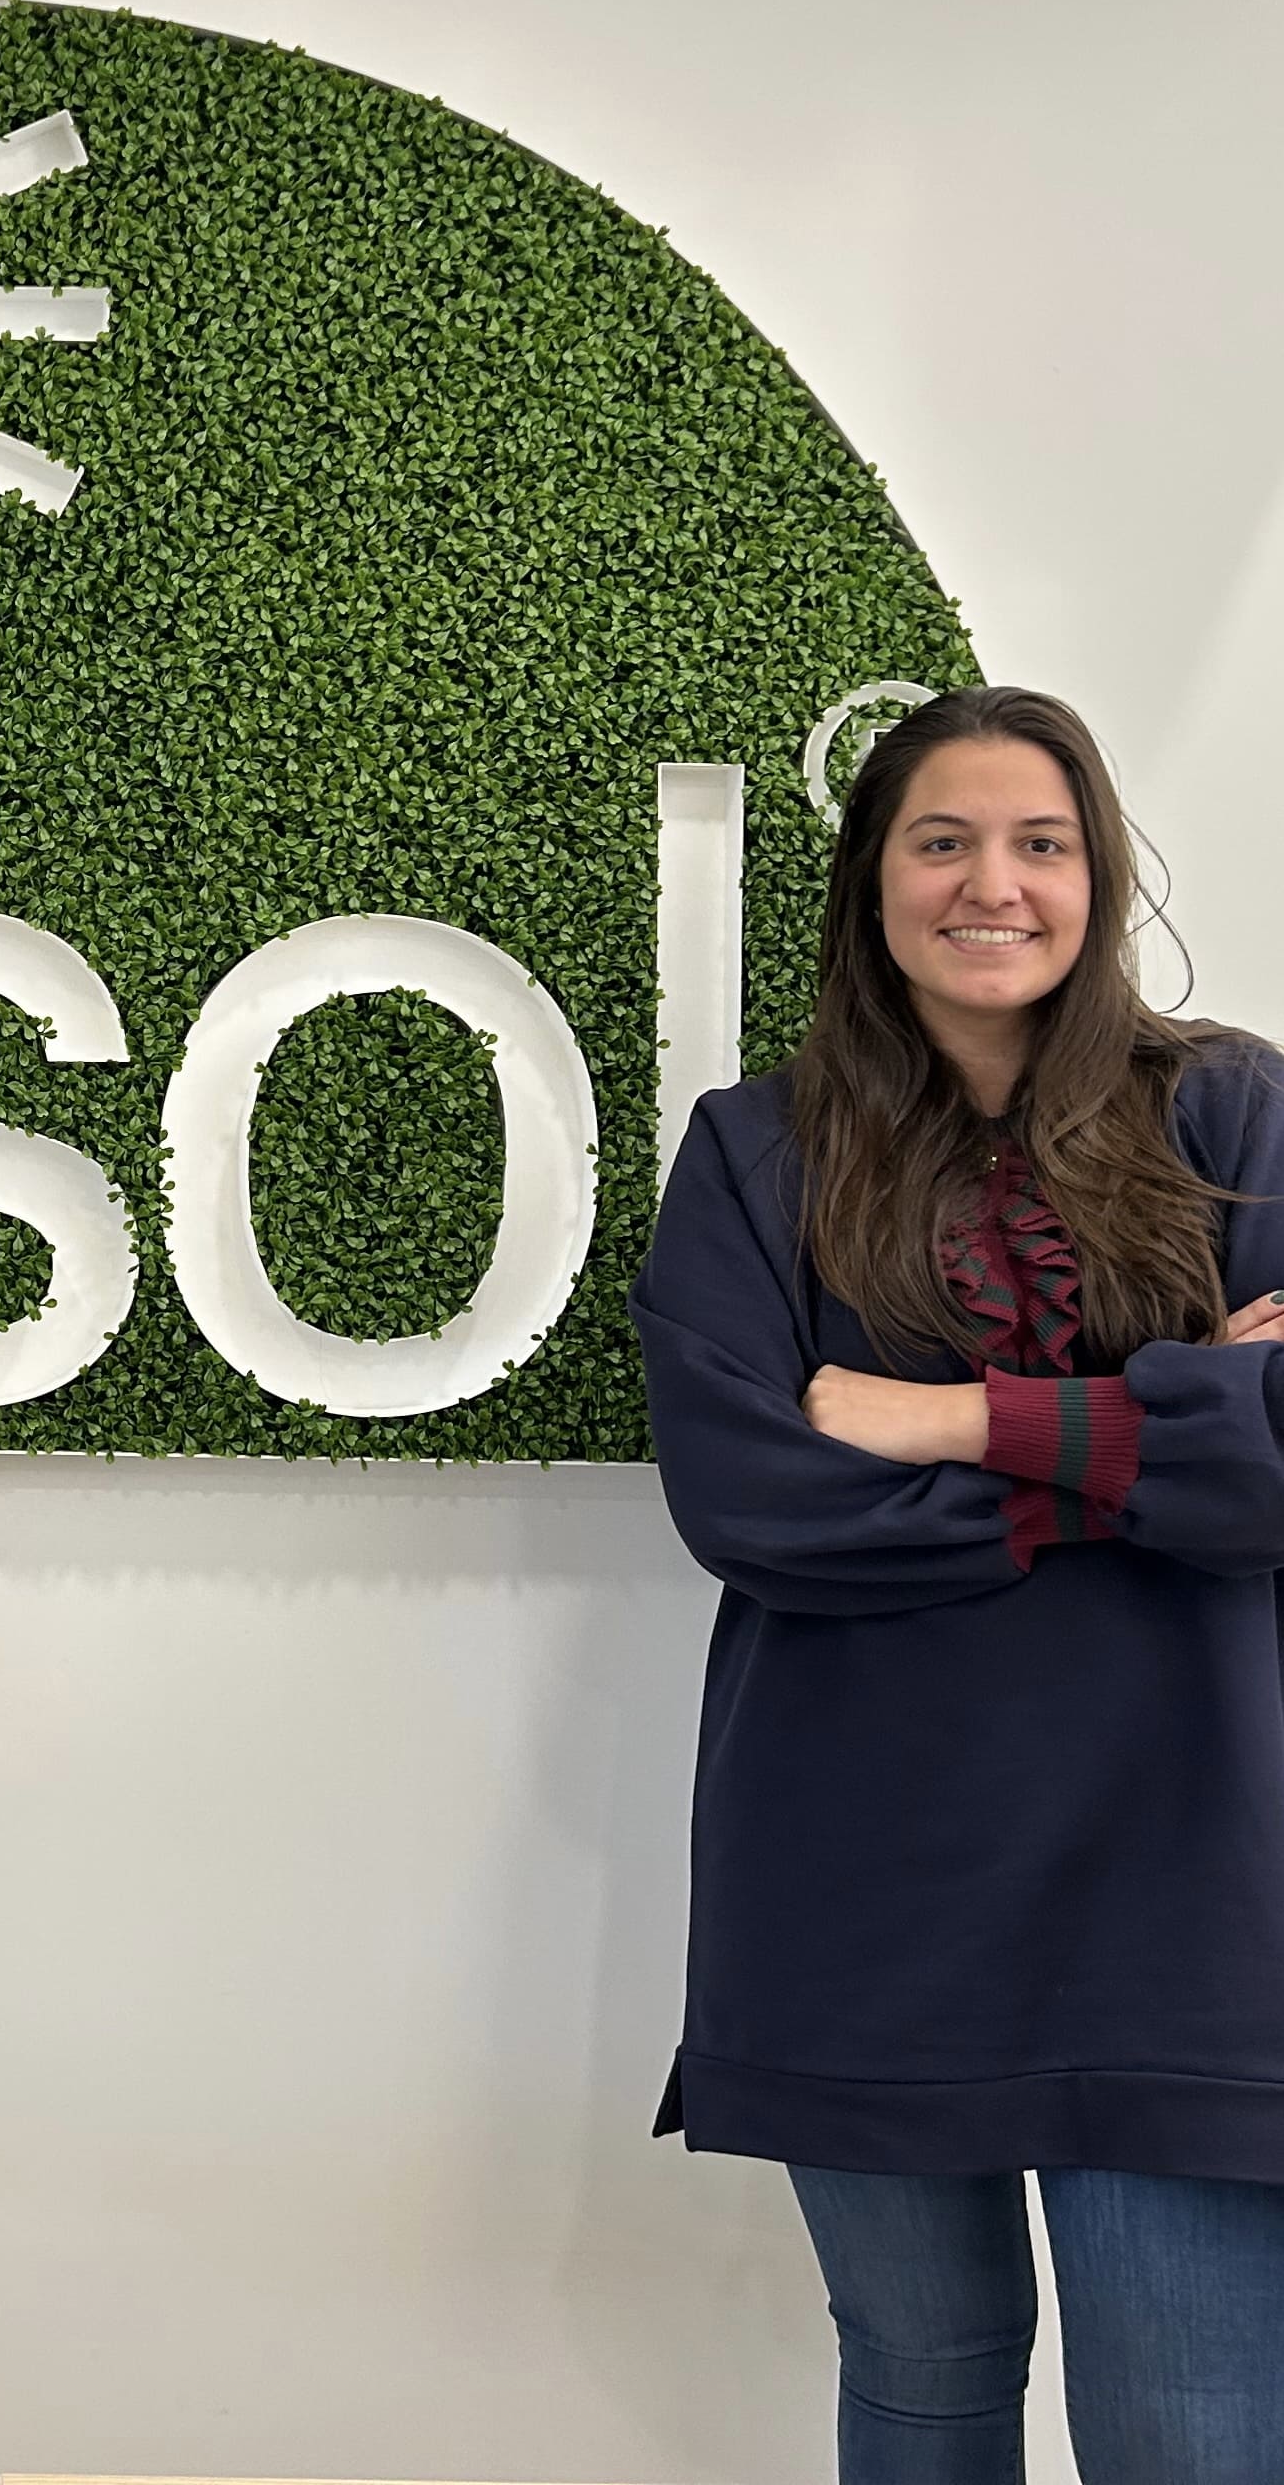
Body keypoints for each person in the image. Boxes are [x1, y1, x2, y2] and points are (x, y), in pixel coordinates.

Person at [632, 684, 1284, 2480]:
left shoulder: (1238, 1118)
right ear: (872, 882)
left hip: (1192, 1893)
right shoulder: (755, 1156)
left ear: (1100, 876)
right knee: (924, 2395)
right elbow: (754, 1496)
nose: (991, 884)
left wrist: (942, 1418)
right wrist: (1158, 1448)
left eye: (1041, 842)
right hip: (860, 1878)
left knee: (1196, 2429)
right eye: (942, 839)